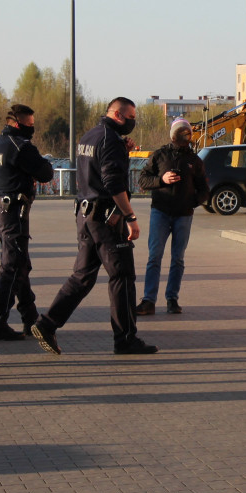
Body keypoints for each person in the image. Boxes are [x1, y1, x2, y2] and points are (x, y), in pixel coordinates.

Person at [32, 97, 158, 356]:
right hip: (107, 217)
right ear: (117, 114)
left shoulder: (90, 136)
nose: (133, 122)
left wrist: (123, 151)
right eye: (131, 116)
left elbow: (96, 169)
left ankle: (47, 324)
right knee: (122, 276)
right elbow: (113, 183)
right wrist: (130, 217)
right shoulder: (109, 140)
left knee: (82, 276)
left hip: (86, 215)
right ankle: (125, 339)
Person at [0, 104, 54, 341]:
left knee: (19, 264)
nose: (31, 130)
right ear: (17, 123)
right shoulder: (19, 146)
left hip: (0, 208)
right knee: (12, 267)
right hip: (12, 211)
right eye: (29, 125)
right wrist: (43, 162)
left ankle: (29, 318)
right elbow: (45, 173)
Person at [135, 117, 208, 315]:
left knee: (178, 259)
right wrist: (161, 179)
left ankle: (172, 299)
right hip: (160, 212)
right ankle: (149, 301)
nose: (184, 135)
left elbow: (204, 190)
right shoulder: (159, 155)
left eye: (187, 132)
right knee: (154, 257)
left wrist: (192, 201)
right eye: (180, 132)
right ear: (173, 135)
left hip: (184, 215)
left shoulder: (195, 160)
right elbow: (142, 179)